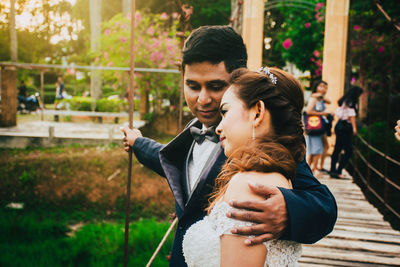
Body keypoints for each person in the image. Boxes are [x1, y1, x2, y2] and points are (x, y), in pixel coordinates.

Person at [121, 25, 337, 267]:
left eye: (215, 87)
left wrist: (287, 209)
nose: (202, 99)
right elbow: (169, 162)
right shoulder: (191, 134)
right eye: (193, 86)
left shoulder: (267, 147)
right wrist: (137, 142)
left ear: (239, 79)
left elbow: (323, 204)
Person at [183, 67, 306, 266]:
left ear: (257, 112)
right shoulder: (276, 176)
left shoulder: (250, 185)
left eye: (225, 111)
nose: (219, 127)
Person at [330, 86, 363, 179]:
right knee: (349, 151)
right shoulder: (352, 103)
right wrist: (354, 129)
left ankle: (333, 170)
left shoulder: (343, 101)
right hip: (346, 127)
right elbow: (352, 116)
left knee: (337, 148)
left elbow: (338, 113)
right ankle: (339, 171)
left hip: (339, 125)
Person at [305, 80, 331, 174]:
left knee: (317, 148)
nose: (323, 89)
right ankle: (314, 168)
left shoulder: (319, 98)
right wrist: (322, 113)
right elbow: (308, 111)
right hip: (314, 125)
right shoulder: (314, 98)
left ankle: (310, 169)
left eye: (325, 87)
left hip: (318, 125)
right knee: (316, 148)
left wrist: (320, 96)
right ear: (316, 87)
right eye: (321, 86)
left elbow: (329, 101)